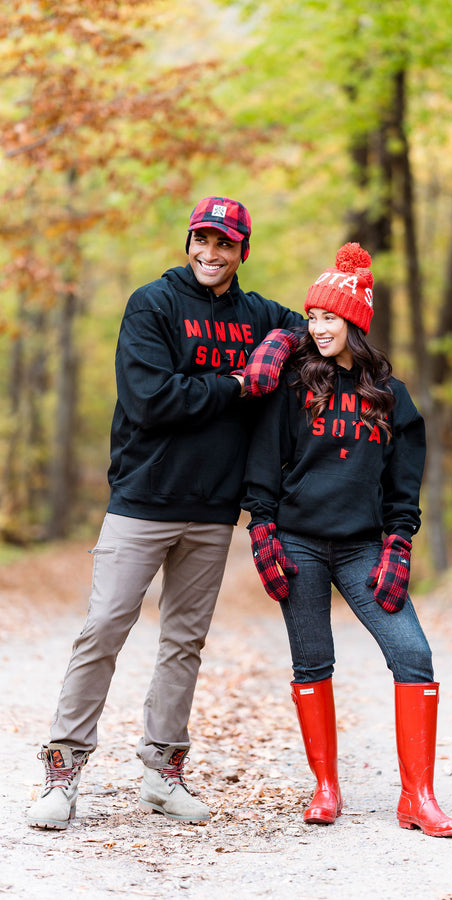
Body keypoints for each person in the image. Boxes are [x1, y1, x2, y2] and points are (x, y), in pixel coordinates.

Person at [27, 196, 303, 831]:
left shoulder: (256, 313)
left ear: (243, 252)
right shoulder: (152, 304)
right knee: (104, 628)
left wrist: (279, 343)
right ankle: (62, 771)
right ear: (188, 243)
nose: (211, 253)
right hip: (143, 500)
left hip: (211, 510)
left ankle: (162, 772)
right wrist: (238, 384)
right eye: (202, 240)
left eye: (225, 243)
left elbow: (308, 326)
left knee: (184, 642)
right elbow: (152, 399)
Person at [242, 243, 452, 837]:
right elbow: (264, 468)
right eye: (311, 317)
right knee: (312, 661)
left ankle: (418, 797)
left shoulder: (392, 398)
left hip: (364, 546)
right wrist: (263, 531)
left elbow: (402, 486)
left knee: (412, 654)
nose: (317, 328)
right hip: (299, 544)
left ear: (355, 323)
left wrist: (399, 544)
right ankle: (326, 787)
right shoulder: (293, 387)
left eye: (330, 318)